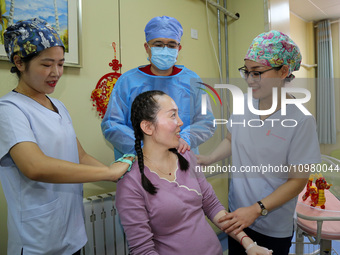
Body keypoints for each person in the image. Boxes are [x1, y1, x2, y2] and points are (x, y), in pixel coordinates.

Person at [0, 18, 134, 255]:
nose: (56, 73)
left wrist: (120, 177)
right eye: (47, 64)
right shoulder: (9, 110)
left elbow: (79, 156)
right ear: (19, 62)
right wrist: (109, 172)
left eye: (61, 64)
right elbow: (34, 166)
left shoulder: (58, 105)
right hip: (37, 240)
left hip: (73, 232)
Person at [197, 30, 322, 255]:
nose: (249, 80)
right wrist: (208, 158)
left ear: (284, 71)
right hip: (237, 213)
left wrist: (257, 209)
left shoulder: (300, 120)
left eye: (257, 72)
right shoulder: (245, 103)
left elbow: (297, 181)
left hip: (271, 225)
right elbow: (231, 138)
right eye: (246, 72)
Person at [115, 90, 273, 255]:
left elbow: (212, 206)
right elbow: (143, 250)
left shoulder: (185, 156)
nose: (180, 122)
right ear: (147, 127)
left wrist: (249, 244)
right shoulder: (130, 182)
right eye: (172, 116)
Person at [101, 16, 215, 160]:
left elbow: (206, 121)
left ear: (179, 49)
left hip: (181, 157)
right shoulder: (128, 81)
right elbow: (112, 124)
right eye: (158, 44)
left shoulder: (193, 81)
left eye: (171, 45)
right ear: (146, 47)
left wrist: (185, 139)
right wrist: (143, 147)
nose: (165, 49)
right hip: (139, 161)